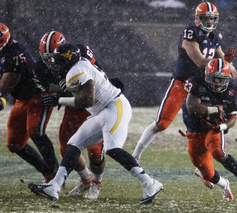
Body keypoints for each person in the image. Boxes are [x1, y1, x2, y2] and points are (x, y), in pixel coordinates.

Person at [28, 44, 163, 204]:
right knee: (74, 144)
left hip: (114, 106)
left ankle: (150, 183)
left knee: (112, 149)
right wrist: (63, 93)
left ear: (67, 60)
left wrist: (59, 99)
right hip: (102, 111)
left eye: (57, 61)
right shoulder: (78, 65)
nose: (54, 65)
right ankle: (54, 186)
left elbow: (87, 99)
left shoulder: (75, 71)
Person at [132, 2, 237, 162]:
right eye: (205, 18)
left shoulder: (215, 36)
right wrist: (224, 64)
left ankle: (204, 166)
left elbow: (222, 58)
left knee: (210, 125)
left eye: (212, 19)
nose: (209, 22)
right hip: (182, 82)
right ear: (197, 18)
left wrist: (228, 64)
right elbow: (200, 61)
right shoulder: (190, 33)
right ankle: (136, 155)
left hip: (203, 86)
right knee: (162, 123)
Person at [34, 31, 108, 199]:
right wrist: (60, 91)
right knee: (66, 147)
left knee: (95, 152)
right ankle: (86, 180)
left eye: (54, 57)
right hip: (73, 105)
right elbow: (47, 88)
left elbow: (98, 76)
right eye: (47, 58)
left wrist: (65, 89)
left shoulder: (81, 52)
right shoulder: (40, 67)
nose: (51, 63)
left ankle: (96, 184)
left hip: (92, 106)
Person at [182, 58, 237, 200]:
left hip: (213, 127)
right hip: (195, 129)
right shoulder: (197, 83)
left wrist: (222, 126)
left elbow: (232, 118)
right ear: (206, 76)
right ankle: (224, 185)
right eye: (214, 79)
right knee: (206, 171)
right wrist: (213, 110)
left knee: (218, 152)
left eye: (221, 79)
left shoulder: (230, 90)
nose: (217, 83)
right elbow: (192, 108)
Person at [0, 23, 59, 182]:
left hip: (38, 96)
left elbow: (6, 85)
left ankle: (56, 176)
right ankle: (47, 172)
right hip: (21, 99)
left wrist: (2, 96)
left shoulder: (15, 54)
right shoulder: (6, 52)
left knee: (36, 132)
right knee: (14, 145)